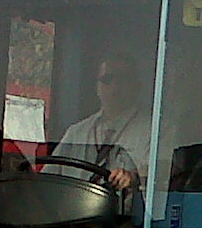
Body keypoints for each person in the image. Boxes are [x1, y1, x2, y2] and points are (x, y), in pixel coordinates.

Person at [48, 55, 153, 198]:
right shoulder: (77, 132)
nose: (115, 86)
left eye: (123, 79)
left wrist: (134, 177)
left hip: (127, 211)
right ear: (97, 87)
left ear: (136, 86)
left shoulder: (155, 131)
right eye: (107, 79)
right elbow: (49, 178)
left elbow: (163, 176)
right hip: (73, 209)